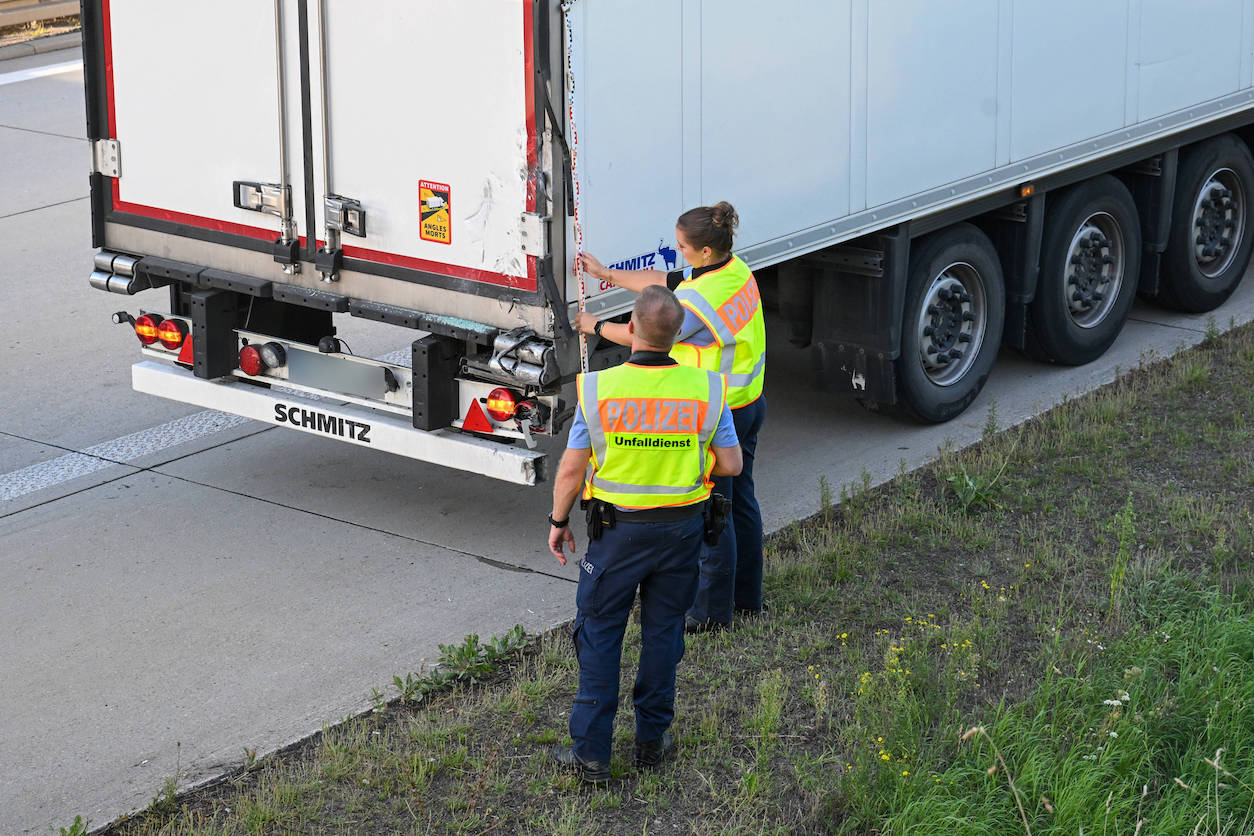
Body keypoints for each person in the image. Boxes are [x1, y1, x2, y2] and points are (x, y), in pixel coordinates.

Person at [548, 285, 742, 783]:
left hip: (616, 536)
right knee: (663, 633)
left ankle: (592, 756)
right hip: (682, 532)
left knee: (599, 633)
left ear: (631, 328)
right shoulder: (708, 389)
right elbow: (731, 464)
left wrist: (558, 521)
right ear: (677, 335)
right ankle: (651, 743)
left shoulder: (598, 389)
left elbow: (571, 469)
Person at [576, 202, 767, 632]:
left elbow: (645, 335)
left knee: (714, 513)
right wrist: (606, 274)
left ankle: (712, 614)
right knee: (741, 504)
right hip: (748, 401)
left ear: (704, 251)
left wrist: (595, 326)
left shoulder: (699, 301)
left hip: (722, 413)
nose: (677, 251)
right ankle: (747, 599)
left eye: (682, 246)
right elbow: (662, 282)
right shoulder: (734, 271)